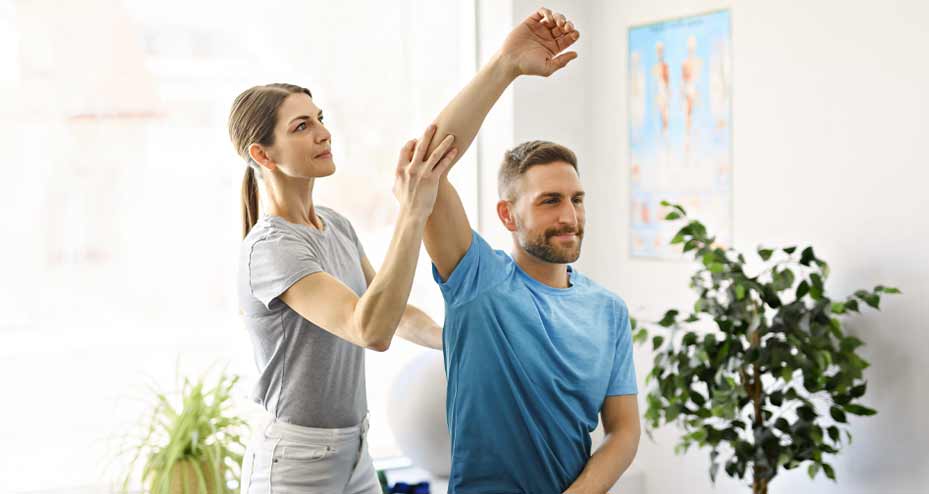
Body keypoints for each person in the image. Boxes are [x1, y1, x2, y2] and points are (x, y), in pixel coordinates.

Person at [420, 8, 642, 494]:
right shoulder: (477, 282)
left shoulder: (607, 311)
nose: (569, 216)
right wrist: (505, 66)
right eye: (549, 201)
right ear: (507, 215)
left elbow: (624, 431)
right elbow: (427, 165)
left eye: (576, 199)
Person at [230, 82, 455, 493]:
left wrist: (454, 341)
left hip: (355, 451)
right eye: (301, 126)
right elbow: (369, 329)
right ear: (263, 154)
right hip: (295, 462)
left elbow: (393, 312)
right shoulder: (271, 249)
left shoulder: (336, 226)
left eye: (320, 119)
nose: (322, 132)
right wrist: (413, 211)